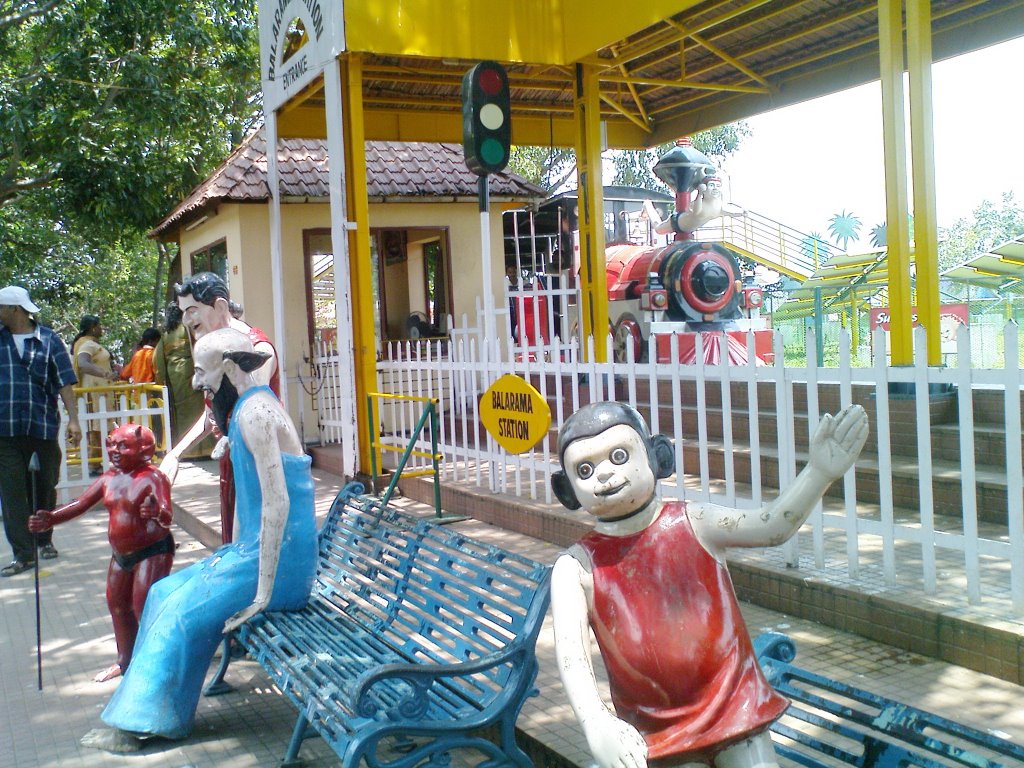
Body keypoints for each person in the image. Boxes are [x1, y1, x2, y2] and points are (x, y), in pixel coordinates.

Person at [550, 401, 868, 768]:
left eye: (619, 455)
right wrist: (596, 724)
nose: (605, 474)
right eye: (585, 468)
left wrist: (818, 473)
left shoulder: (695, 520)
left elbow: (771, 526)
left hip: (735, 706)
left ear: (657, 456)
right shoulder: (575, 567)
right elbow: (571, 657)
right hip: (654, 729)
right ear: (567, 489)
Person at [80, 328, 317, 753]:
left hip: (280, 564)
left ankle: (145, 723)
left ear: (228, 367)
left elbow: (278, 505)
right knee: (162, 592)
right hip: (256, 553)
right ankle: (157, 709)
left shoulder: (257, 415)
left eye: (202, 371)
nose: (195, 382)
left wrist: (263, 593)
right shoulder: (245, 408)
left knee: (179, 611)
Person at [28, 424, 173, 682]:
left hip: (152, 551)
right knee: (117, 604)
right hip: (121, 553)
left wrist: (157, 513)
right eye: (111, 444)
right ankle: (125, 661)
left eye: (123, 446)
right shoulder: (109, 478)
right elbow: (80, 504)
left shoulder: (153, 478)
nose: (114, 451)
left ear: (144, 448)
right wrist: (51, 518)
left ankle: (158, 660)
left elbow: (166, 512)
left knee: (143, 606)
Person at [160, 272, 279, 544]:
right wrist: (175, 454)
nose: (187, 321)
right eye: (184, 313)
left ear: (221, 307)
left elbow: (250, 410)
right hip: (234, 462)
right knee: (233, 540)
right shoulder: (212, 346)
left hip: (261, 465)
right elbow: (212, 415)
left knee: (255, 542)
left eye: (193, 311)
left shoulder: (257, 349)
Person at [0, 285, 82, 574]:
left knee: (45, 486)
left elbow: (64, 383)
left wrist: (73, 419)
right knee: (11, 492)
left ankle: (44, 538)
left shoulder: (48, 340)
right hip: (5, 430)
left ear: (15, 310)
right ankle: (23, 554)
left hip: (42, 426)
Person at [153, 303, 214, 460]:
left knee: (182, 412)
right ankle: (205, 448)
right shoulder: (188, 327)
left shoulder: (166, 333)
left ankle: (188, 450)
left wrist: (162, 378)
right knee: (199, 409)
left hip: (174, 375)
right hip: (191, 369)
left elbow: (157, 358)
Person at [71, 314, 119, 475]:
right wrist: (105, 374)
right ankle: (94, 462)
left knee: (102, 425)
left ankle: (99, 460)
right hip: (95, 392)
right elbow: (83, 364)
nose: (101, 328)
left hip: (102, 392)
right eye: (99, 325)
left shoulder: (91, 344)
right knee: (96, 427)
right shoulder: (87, 345)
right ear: (92, 328)